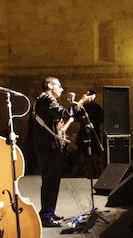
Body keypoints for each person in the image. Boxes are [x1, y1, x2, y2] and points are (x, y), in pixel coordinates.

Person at [31, 76, 93, 227]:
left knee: (52, 181)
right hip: (48, 148)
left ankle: (49, 212)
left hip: (47, 147)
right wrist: (82, 101)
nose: (62, 89)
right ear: (50, 85)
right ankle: (46, 216)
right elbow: (64, 114)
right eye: (59, 86)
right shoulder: (47, 99)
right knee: (50, 181)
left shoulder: (44, 99)